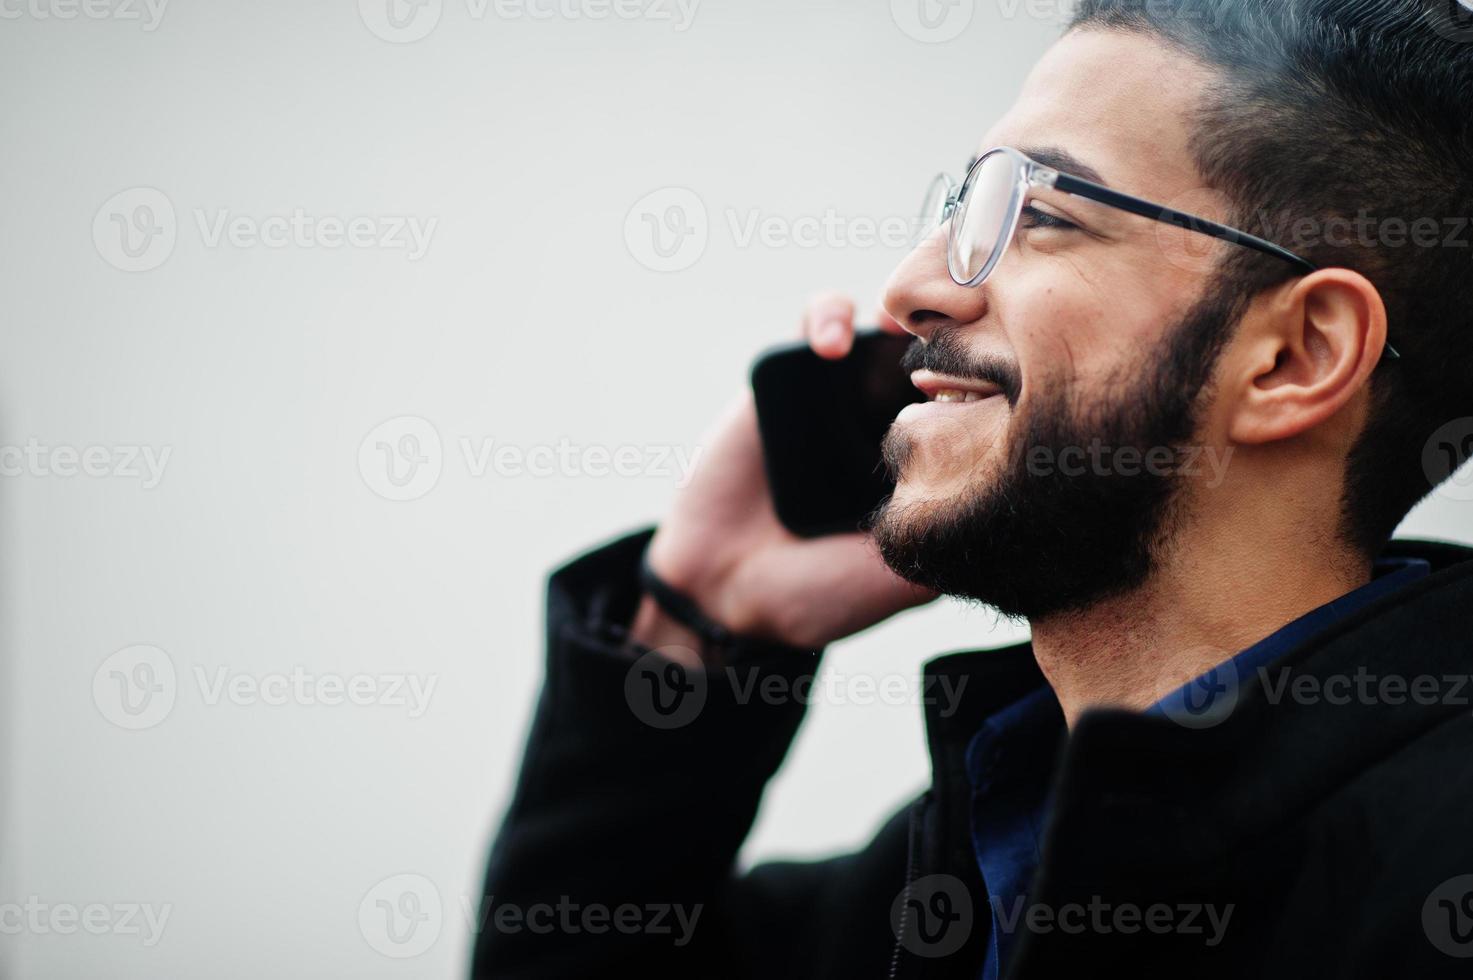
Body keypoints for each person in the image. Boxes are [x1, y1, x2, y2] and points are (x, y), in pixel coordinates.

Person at [473, 1, 1473, 976]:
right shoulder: (958, 866)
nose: (909, 287)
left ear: (1296, 355)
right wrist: (702, 617)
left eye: (1036, 213)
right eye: (961, 207)